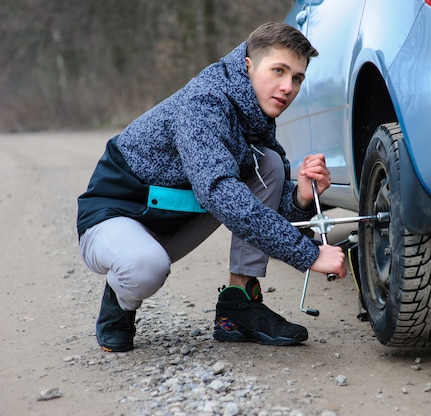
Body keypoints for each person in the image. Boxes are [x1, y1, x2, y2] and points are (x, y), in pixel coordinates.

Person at [76, 22, 347, 352]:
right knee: (146, 267)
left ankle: (239, 303)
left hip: (173, 217)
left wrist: (302, 197)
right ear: (248, 66)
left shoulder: (253, 114)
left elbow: (265, 211)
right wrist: (309, 254)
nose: (287, 86)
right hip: (116, 215)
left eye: (297, 78)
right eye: (278, 70)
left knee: (268, 163)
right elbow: (219, 192)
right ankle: (119, 300)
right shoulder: (204, 102)